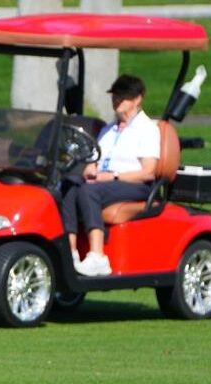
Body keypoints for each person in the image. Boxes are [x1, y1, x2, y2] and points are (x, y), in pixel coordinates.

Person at [59, 74, 160, 277]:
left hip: (135, 184)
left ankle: (98, 257)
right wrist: (90, 169)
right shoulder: (108, 130)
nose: (116, 101)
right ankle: (70, 252)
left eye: (122, 97)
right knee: (68, 186)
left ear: (137, 99)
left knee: (89, 191)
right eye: (114, 96)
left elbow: (148, 172)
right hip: (105, 182)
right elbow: (95, 159)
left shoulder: (147, 129)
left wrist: (113, 176)